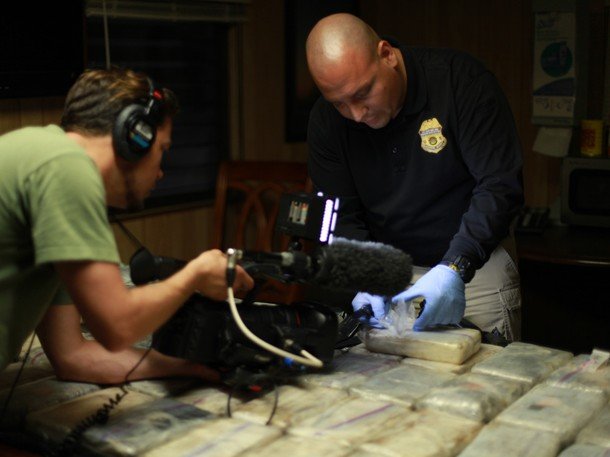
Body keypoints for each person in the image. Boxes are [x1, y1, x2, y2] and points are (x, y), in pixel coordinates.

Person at [0, 68, 254, 375]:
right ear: (135, 137)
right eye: (162, 150)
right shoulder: (66, 169)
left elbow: (72, 356)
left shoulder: (46, 156)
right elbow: (116, 326)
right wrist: (194, 276)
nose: (161, 172)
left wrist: (191, 367)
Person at [305, 14, 524, 341]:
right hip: (386, 272)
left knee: (485, 383)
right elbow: (341, 214)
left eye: (364, 93)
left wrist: (455, 268)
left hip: (474, 266)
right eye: (340, 104)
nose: (357, 114)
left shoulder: (460, 82)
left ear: (387, 55)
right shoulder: (326, 123)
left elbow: (499, 186)